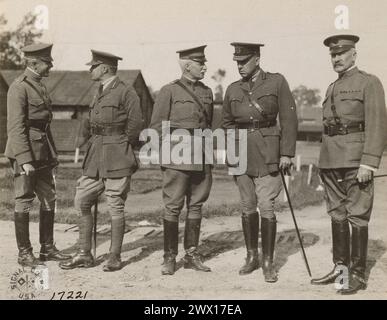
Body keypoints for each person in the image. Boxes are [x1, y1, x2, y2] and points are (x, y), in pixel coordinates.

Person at [311, 35, 387, 294]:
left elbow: (377, 125)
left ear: (354, 54)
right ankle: (340, 268)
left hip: (356, 160)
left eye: (342, 53)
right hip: (331, 160)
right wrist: (323, 162)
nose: (337, 58)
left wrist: (369, 163)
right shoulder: (332, 86)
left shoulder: (369, 82)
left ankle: (357, 274)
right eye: (333, 54)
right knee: (337, 213)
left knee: (358, 214)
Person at [59, 50, 143, 272]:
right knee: (82, 200)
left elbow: (135, 127)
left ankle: (114, 257)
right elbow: (91, 122)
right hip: (96, 156)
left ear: (105, 68)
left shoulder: (127, 92)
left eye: (93, 66)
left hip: (117, 156)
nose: (90, 70)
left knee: (115, 204)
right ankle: (84, 253)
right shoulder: (98, 91)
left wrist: (120, 146)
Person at [222, 42, 298, 282]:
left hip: (268, 153)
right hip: (242, 154)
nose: (240, 66)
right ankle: (251, 256)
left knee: (266, 205)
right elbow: (226, 123)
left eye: (244, 61)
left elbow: (289, 119)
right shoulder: (233, 89)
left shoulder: (276, 82)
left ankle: (268, 262)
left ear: (257, 58)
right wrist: (234, 149)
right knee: (247, 205)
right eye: (237, 62)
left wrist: (286, 153)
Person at [149, 45, 214, 275]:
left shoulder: (207, 92)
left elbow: (208, 126)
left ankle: (191, 254)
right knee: (173, 207)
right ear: (188, 66)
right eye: (200, 63)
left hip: (201, 156)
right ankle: (169, 257)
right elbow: (157, 125)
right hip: (177, 157)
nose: (205, 66)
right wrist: (164, 157)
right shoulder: (169, 91)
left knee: (196, 205)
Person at [5, 43, 70, 267]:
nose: (50, 66)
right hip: (26, 153)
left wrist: (53, 155)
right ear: (34, 63)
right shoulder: (18, 87)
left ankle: (47, 248)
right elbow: (16, 127)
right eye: (47, 63)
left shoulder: (39, 86)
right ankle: (25, 253)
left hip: (42, 153)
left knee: (49, 197)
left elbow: (44, 124)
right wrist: (24, 159)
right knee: (24, 199)